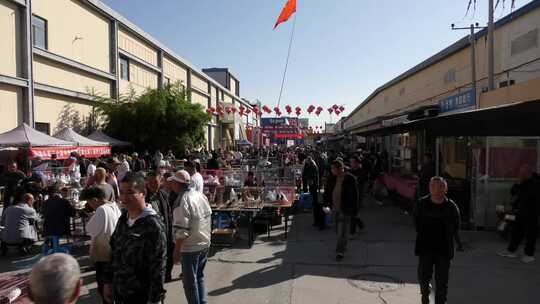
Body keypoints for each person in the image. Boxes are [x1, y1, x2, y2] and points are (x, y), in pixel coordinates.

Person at [105, 172, 167, 304]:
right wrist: (108, 282)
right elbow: (114, 251)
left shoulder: (152, 225)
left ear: (143, 193)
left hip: (141, 297)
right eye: (121, 192)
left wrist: (155, 299)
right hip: (120, 293)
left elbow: (158, 266)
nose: (124, 198)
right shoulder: (123, 219)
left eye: (130, 192)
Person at [414, 176, 462, 304]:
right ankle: (425, 294)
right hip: (425, 247)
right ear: (429, 188)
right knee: (423, 277)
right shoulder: (421, 204)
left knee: (442, 283)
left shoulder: (451, 207)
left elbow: (456, 226)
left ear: (445, 189)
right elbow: (416, 223)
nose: (437, 189)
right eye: (433, 186)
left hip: (444, 249)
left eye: (441, 186)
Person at [170, 170, 212, 304]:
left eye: (173, 182)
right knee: (199, 277)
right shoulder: (200, 196)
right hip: (204, 243)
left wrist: (176, 251)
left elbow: (181, 230)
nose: (171, 185)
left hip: (190, 248)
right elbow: (208, 217)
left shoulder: (182, 200)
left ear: (178, 184)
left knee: (190, 283)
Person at [83, 187, 121, 304]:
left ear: (94, 199)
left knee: (105, 289)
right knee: (113, 289)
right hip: (114, 252)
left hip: (103, 255)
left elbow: (90, 229)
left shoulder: (101, 210)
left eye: (89, 202)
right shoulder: (114, 206)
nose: (89, 205)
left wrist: (91, 218)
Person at [499, 165, 540, 263]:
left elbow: (533, 198)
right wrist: (518, 182)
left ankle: (529, 255)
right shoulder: (523, 181)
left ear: (528, 172)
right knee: (516, 232)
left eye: (522, 172)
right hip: (521, 212)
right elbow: (513, 192)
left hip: (532, 213)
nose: (520, 174)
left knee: (530, 234)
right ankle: (511, 251)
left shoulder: (537, 183)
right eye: (520, 172)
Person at [323, 160, 359, 261]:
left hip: (345, 209)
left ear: (339, 169)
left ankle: (340, 251)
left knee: (342, 232)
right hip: (335, 209)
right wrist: (326, 204)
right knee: (339, 230)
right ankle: (342, 246)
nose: (331, 170)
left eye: (333, 168)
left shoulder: (350, 179)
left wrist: (355, 210)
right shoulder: (332, 179)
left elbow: (356, 195)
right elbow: (327, 192)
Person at [146, 171, 174, 282]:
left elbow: (169, 215)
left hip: (166, 234)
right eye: (150, 182)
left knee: (167, 259)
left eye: (155, 182)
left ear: (161, 181)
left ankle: (166, 277)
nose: (152, 184)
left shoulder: (164, 195)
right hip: (151, 240)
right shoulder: (143, 197)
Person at [302, 156, 322, 230]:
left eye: (307, 162)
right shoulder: (311, 166)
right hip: (313, 186)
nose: (307, 163)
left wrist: (308, 179)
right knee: (315, 203)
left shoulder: (313, 167)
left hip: (314, 187)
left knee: (316, 204)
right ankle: (316, 221)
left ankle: (318, 221)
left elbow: (312, 176)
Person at [349, 156, 367, 234]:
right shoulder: (350, 171)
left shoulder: (361, 171)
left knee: (353, 213)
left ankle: (352, 232)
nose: (351, 163)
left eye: (352, 162)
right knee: (353, 213)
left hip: (357, 194)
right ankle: (361, 225)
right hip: (350, 194)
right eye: (350, 162)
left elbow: (361, 182)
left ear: (356, 163)